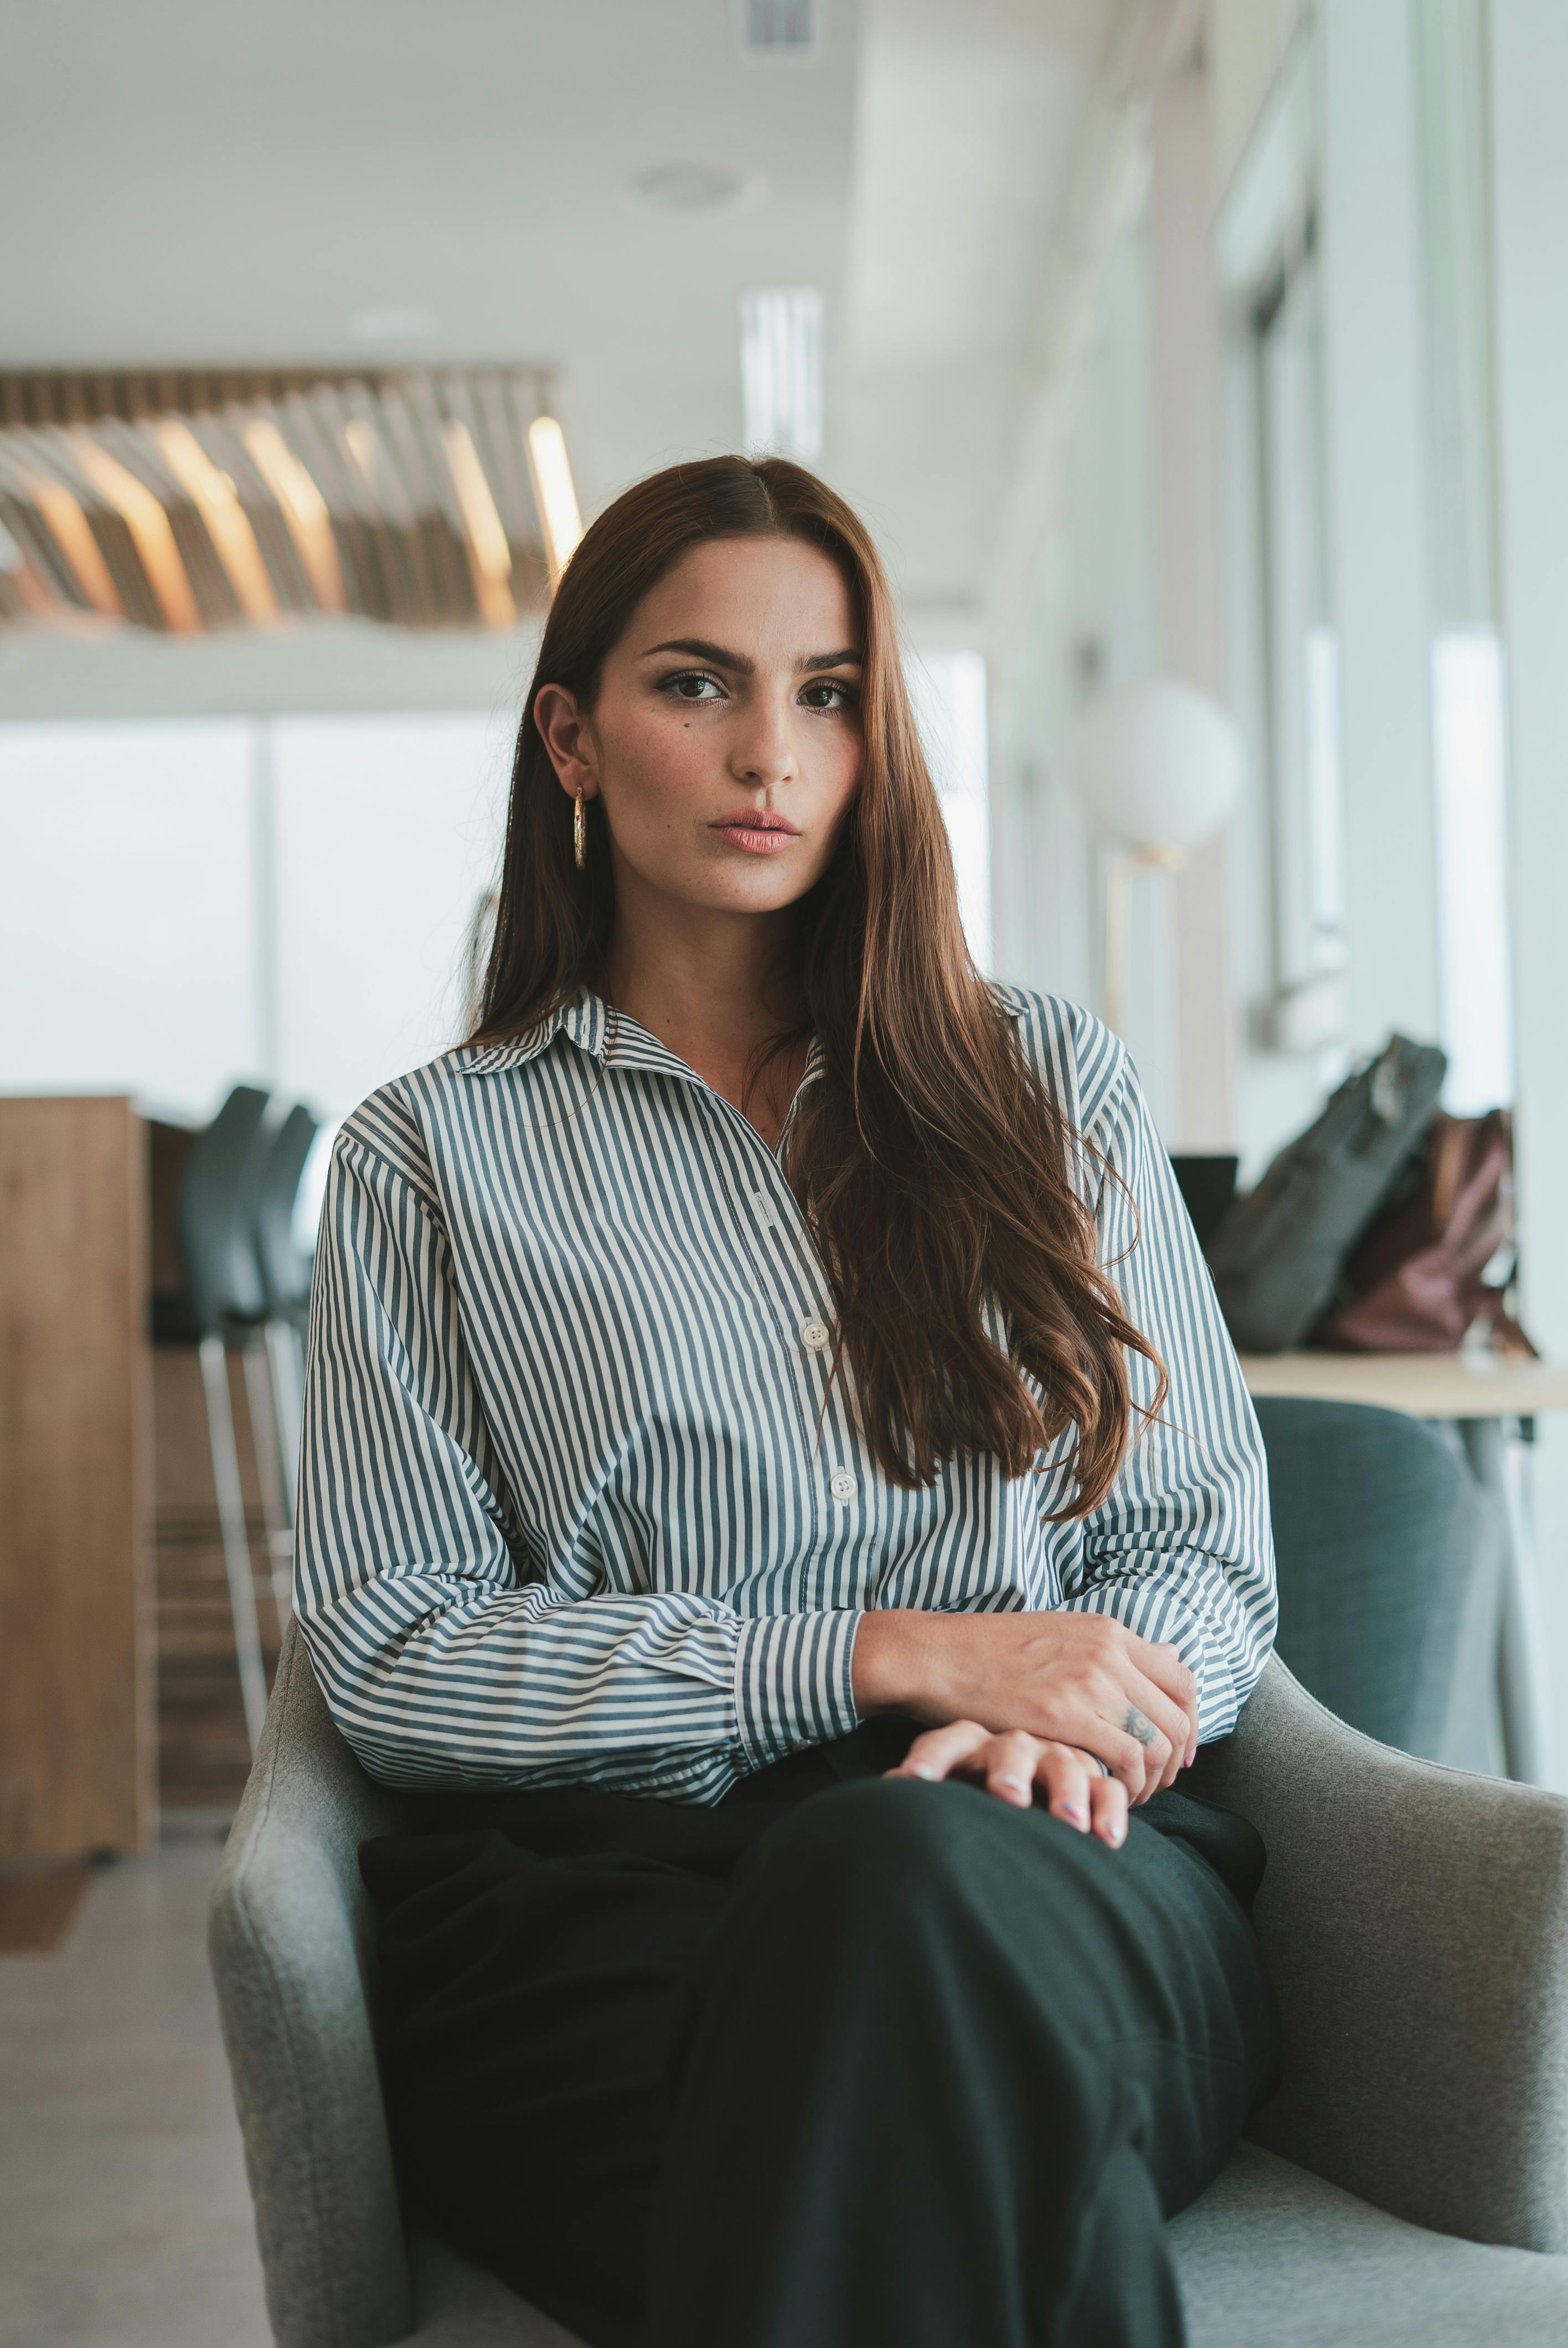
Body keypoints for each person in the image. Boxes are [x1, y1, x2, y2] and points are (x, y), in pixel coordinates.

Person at [293, 455, 1278, 2348]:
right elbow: (397, 1654)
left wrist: (1062, 1733)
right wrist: (881, 1658)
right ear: (572, 739)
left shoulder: (1042, 1081)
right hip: (613, 1912)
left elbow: (1201, 1553)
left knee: (907, 1914)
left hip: (1059, 1858)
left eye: (828, 692)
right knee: (945, 2120)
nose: (774, 754)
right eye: (697, 686)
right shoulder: (431, 1160)